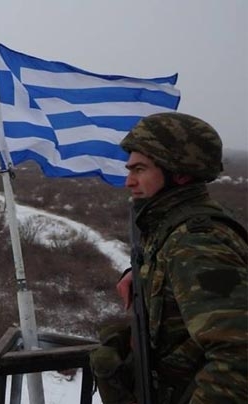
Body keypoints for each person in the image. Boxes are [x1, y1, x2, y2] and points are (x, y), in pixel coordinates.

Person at [90, 112, 248, 404]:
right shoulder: (173, 230)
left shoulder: (196, 244)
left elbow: (238, 355)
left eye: (140, 169)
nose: (129, 181)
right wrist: (141, 274)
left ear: (180, 173)